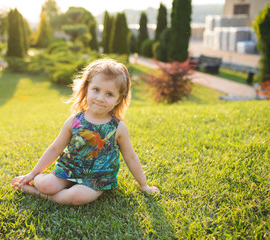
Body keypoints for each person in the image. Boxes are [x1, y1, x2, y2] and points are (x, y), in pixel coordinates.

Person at [11, 59, 160, 205]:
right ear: (86, 88)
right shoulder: (74, 121)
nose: (101, 98)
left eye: (109, 94)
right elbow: (55, 148)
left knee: (78, 196)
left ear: (118, 100)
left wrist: (143, 185)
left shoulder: (118, 128)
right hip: (70, 168)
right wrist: (33, 174)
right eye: (96, 90)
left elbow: (131, 157)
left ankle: (35, 193)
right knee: (46, 185)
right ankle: (40, 185)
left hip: (97, 179)